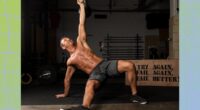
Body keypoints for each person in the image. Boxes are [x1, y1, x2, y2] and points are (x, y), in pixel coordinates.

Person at [56, 0, 147, 109]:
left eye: (67, 38)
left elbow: (81, 23)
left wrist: (81, 5)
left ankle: (134, 95)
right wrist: (65, 94)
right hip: (96, 74)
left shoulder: (81, 42)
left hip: (105, 64)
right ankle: (84, 107)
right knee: (89, 85)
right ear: (63, 46)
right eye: (65, 40)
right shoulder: (70, 61)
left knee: (130, 65)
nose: (68, 39)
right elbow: (67, 79)